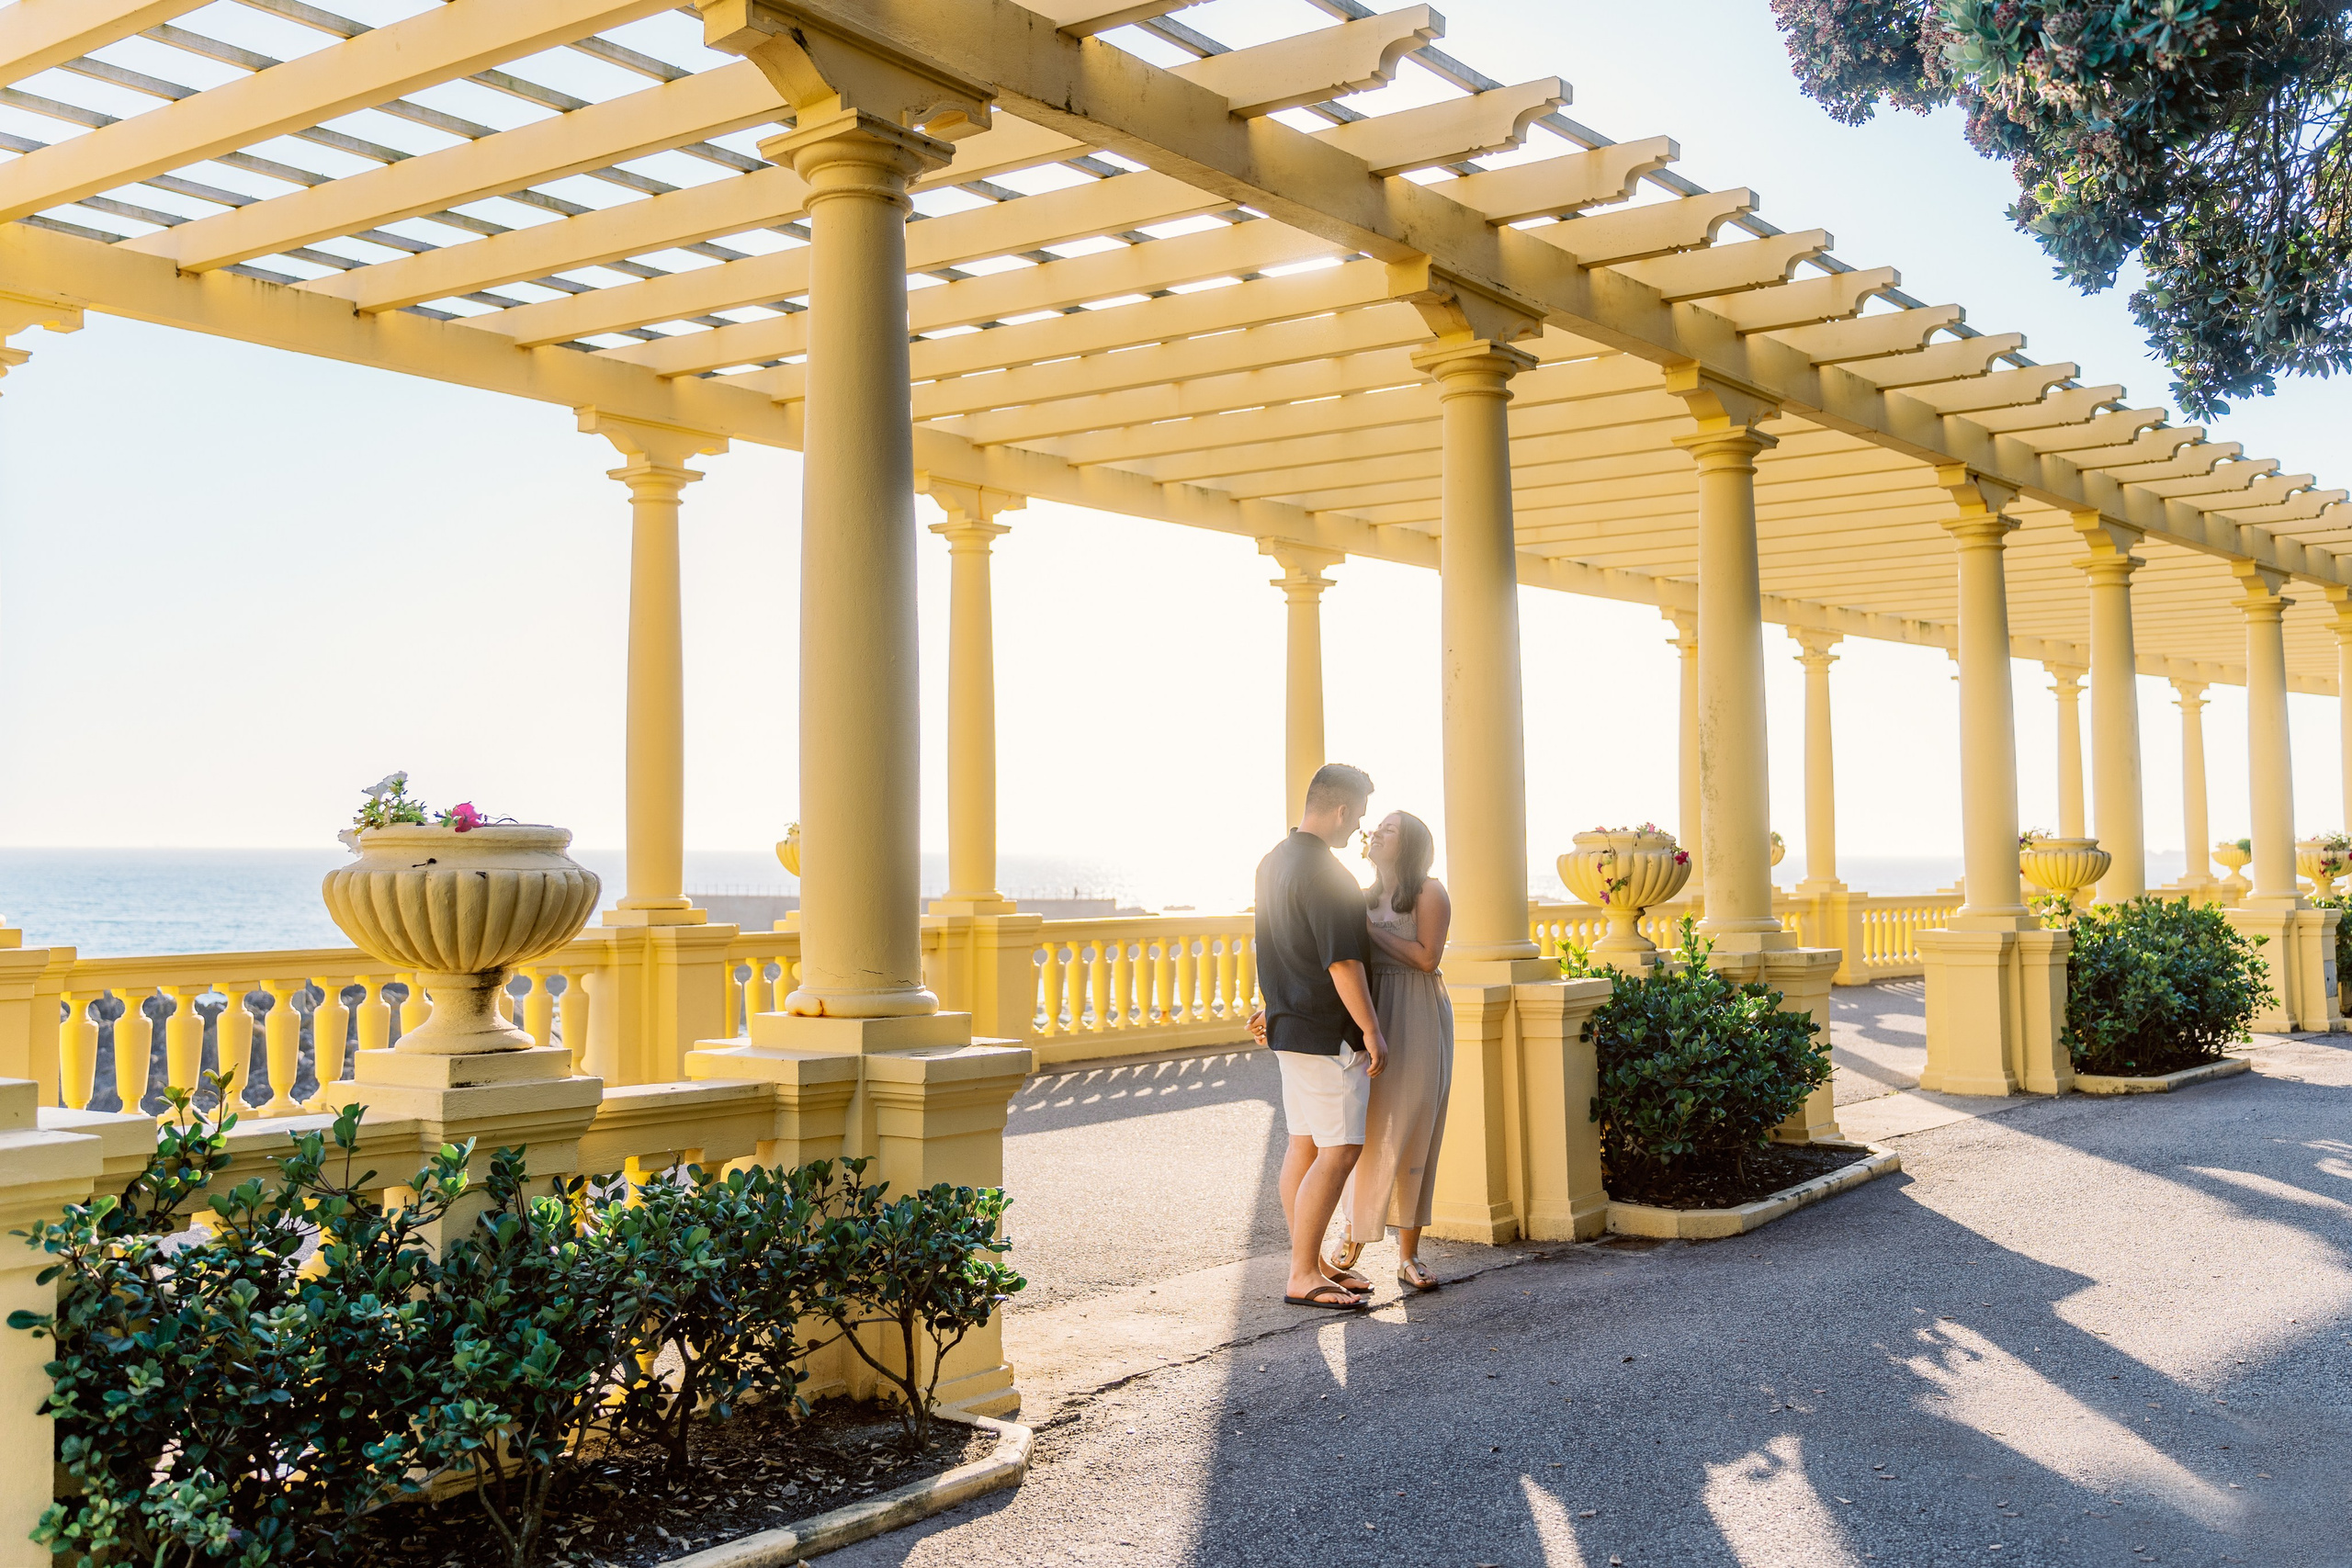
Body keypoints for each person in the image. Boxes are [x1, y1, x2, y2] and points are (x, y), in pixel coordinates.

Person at [1252, 762, 1387, 1311]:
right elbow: (1342, 962)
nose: (1357, 825)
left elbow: (1276, 945)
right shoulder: (1330, 876)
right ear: (1338, 809)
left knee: (1305, 1145)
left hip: (1288, 1027)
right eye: (1356, 813)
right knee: (1341, 1149)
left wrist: (1271, 1005)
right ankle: (1303, 1272)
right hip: (1328, 1034)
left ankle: (1312, 1263)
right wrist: (1372, 1030)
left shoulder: (1271, 863)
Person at [1331, 810, 1453, 1292]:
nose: (1376, 832)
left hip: (1418, 1012)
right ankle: (1355, 1230)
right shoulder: (1358, 897)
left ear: (1411, 845)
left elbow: (1427, 957)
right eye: (1376, 827)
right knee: (1363, 1123)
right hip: (1371, 1011)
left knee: (1415, 1127)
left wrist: (1368, 930)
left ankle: (1409, 1254)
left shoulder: (1428, 892)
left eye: (1390, 829)